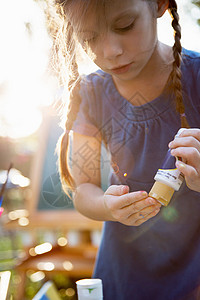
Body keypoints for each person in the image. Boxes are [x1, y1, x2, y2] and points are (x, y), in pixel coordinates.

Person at [52, 0, 200, 298]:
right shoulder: (92, 94)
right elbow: (84, 189)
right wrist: (107, 206)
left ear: (159, 5)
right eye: (89, 37)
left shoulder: (196, 79)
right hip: (121, 276)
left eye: (124, 26)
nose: (110, 51)